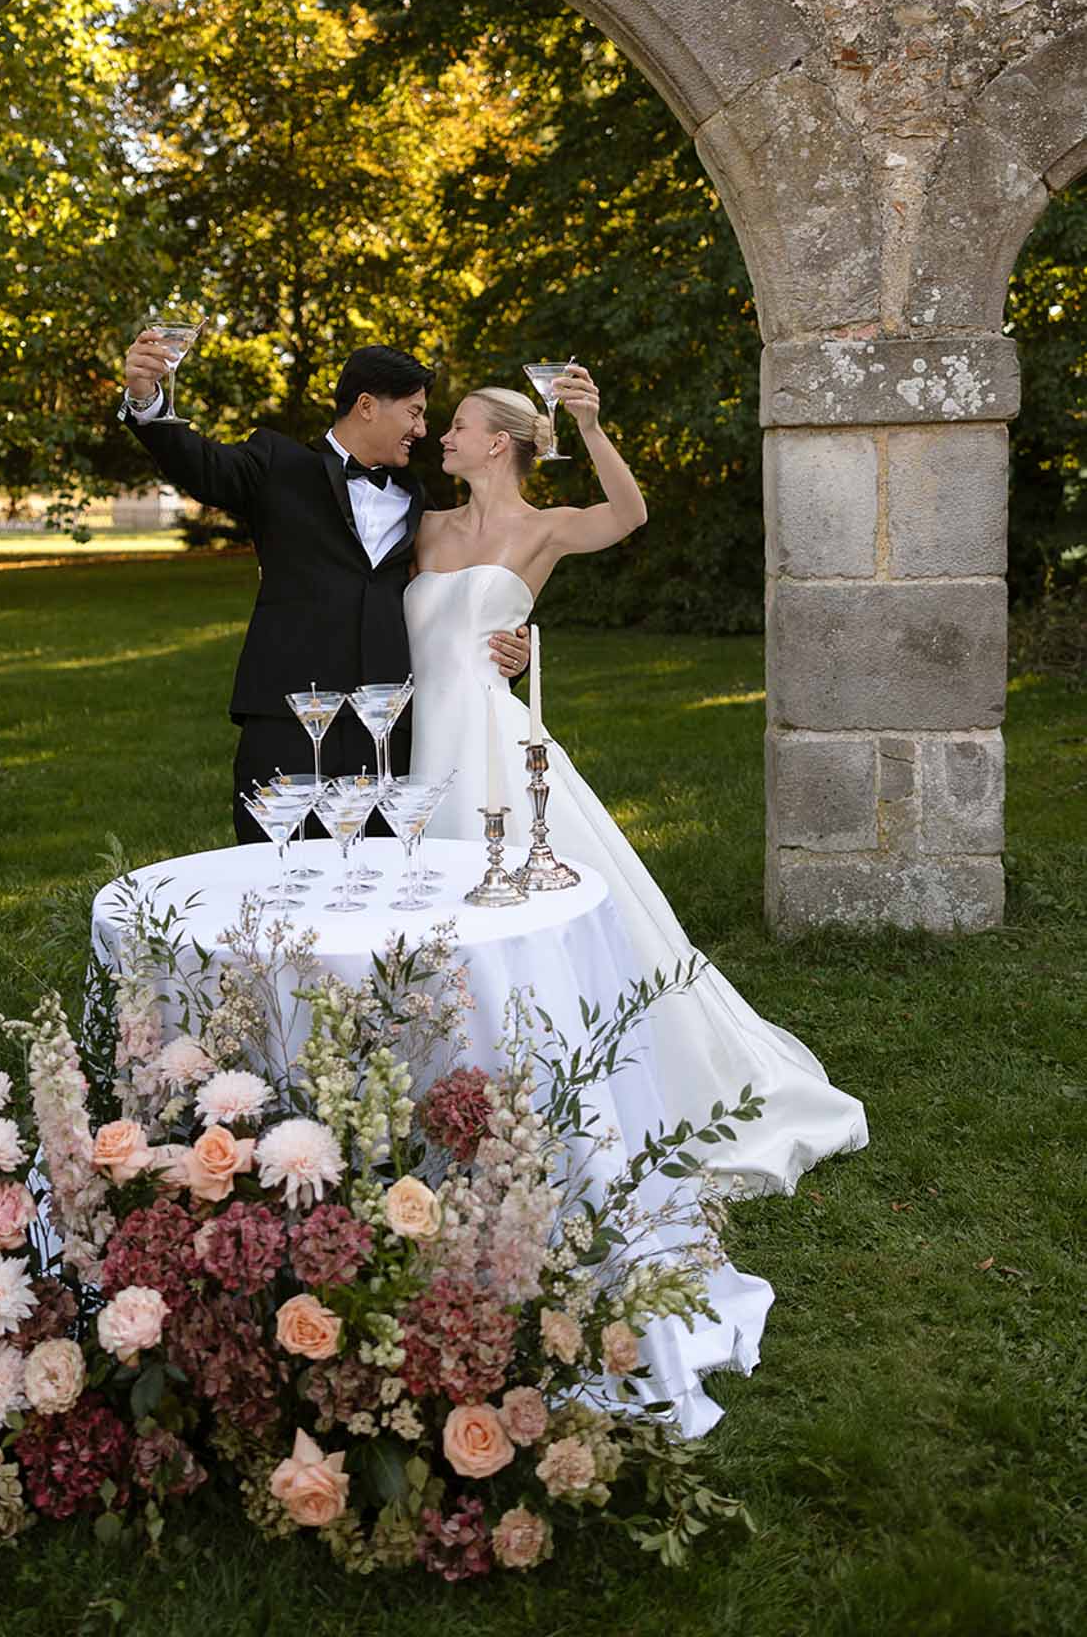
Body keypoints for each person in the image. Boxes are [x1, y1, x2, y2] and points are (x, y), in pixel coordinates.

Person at [407, 365, 868, 1196]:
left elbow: (629, 514)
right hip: (418, 743)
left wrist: (587, 424)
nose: (443, 435)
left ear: (498, 442)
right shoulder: (429, 526)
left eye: (458, 426)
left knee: (524, 906)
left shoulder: (544, 528)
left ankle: (555, 1081)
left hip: (490, 739)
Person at [120, 337, 530, 841]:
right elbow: (201, 464)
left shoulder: (416, 496)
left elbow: (457, 592)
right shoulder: (276, 463)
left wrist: (511, 645)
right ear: (366, 407)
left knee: (383, 882)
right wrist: (146, 400)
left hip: (386, 727)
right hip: (289, 716)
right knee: (279, 871)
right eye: (414, 413)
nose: (423, 430)